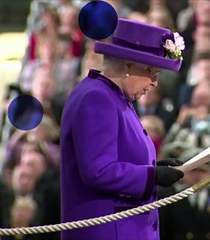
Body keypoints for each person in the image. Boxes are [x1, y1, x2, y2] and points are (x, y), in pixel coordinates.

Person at [60, 19, 185, 240]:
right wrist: (151, 176)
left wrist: (152, 168)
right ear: (128, 66)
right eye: (152, 72)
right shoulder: (97, 98)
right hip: (108, 232)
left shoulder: (114, 96)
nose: (155, 83)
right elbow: (98, 171)